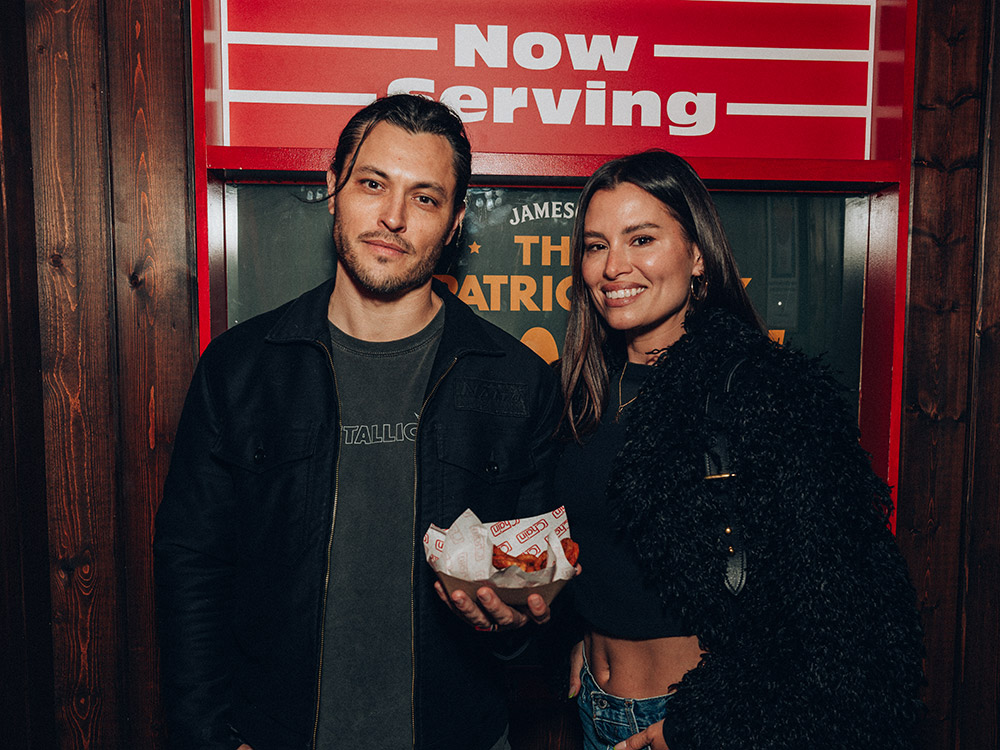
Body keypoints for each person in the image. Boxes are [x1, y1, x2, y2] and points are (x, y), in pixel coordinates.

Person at [153, 94, 561, 750]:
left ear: (455, 223)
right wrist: (207, 736)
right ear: (333, 189)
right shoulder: (240, 369)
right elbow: (192, 566)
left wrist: (513, 623)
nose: (393, 217)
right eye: (373, 184)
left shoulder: (517, 381)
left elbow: (530, 602)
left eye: (425, 198)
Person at [553, 150, 924, 750]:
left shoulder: (763, 392)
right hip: (596, 709)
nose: (614, 267)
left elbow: (847, 613)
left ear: (698, 254)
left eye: (641, 238)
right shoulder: (579, 393)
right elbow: (605, 555)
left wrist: (697, 727)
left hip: (696, 724)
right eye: (596, 246)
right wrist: (588, 633)